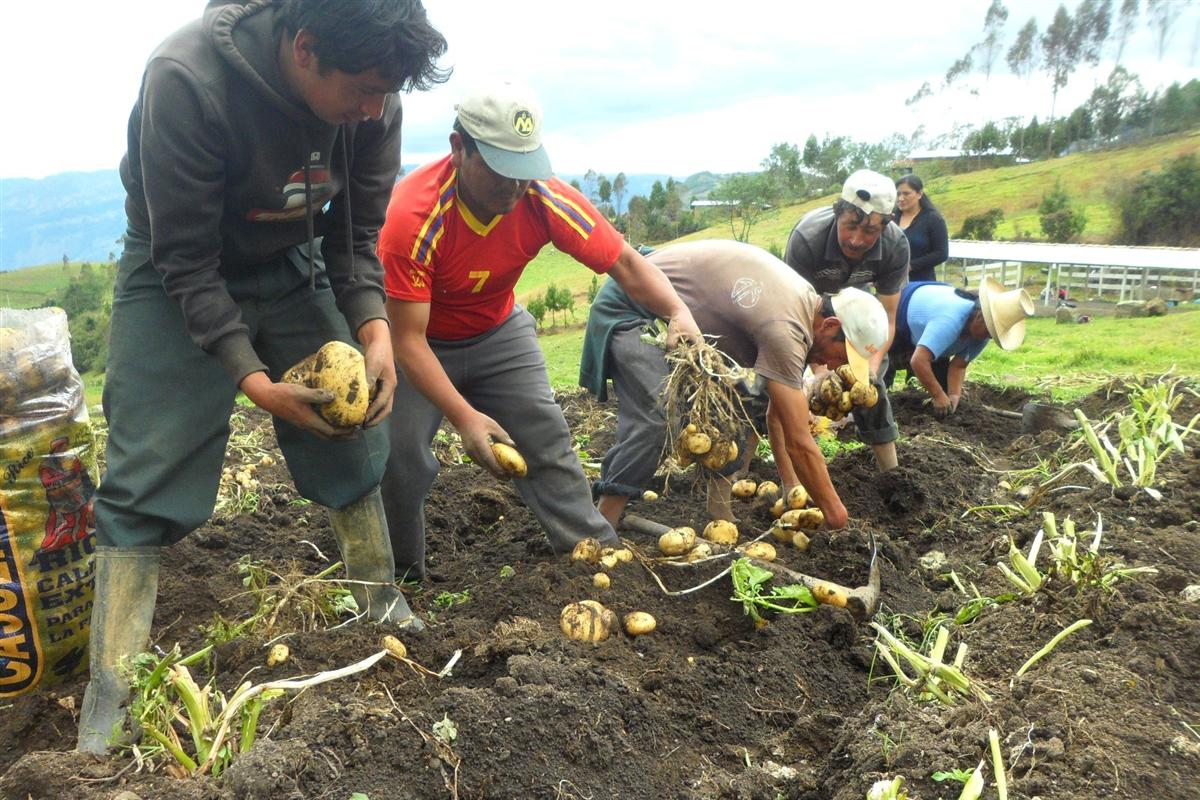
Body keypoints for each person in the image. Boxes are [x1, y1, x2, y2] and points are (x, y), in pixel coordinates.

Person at [79, 0, 448, 755]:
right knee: (148, 461)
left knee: (352, 430)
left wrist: (372, 329)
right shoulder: (188, 79)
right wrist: (253, 380)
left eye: (389, 93)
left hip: (291, 256)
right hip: (176, 263)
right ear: (306, 50)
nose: (375, 111)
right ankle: (113, 682)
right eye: (363, 91)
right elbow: (184, 260)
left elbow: (356, 238)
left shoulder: (374, 99)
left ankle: (379, 601)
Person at [378, 81, 700, 580]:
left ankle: (599, 557)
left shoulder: (543, 198)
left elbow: (628, 266)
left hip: (497, 332)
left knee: (547, 440)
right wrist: (465, 418)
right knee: (400, 458)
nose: (515, 187)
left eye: (524, 171)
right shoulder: (413, 217)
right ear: (459, 148)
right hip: (419, 343)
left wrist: (678, 310)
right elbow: (407, 339)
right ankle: (400, 577)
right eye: (502, 171)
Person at [581, 240, 889, 531]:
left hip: (684, 325)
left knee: (730, 408)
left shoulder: (806, 307)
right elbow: (799, 442)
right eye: (841, 355)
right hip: (635, 299)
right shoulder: (786, 330)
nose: (835, 366)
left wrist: (790, 484)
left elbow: (777, 412)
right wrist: (836, 515)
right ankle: (603, 521)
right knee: (658, 418)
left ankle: (720, 517)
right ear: (831, 326)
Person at [783, 169, 908, 472]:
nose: (856, 239)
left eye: (870, 232)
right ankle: (746, 467)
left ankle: (891, 475)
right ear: (838, 213)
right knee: (773, 384)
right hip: (805, 312)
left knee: (872, 387)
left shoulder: (895, 246)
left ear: (886, 225)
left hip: (855, 308)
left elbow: (889, 318)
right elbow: (795, 312)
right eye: (850, 226)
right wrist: (820, 372)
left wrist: (869, 370)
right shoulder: (807, 238)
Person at [886, 278, 1034, 417]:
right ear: (979, 317)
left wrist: (953, 395)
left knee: (943, 390)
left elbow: (959, 366)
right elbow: (918, 361)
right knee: (881, 369)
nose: (987, 338)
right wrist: (937, 395)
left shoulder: (981, 334)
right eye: (989, 332)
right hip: (899, 313)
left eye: (992, 335)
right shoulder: (949, 321)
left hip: (932, 333)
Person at [894, 175, 948, 283]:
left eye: (906, 194)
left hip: (920, 284)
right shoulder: (891, 218)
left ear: (919, 194)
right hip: (890, 284)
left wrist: (910, 266)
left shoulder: (933, 219)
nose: (900, 198)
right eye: (898, 194)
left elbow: (941, 253)